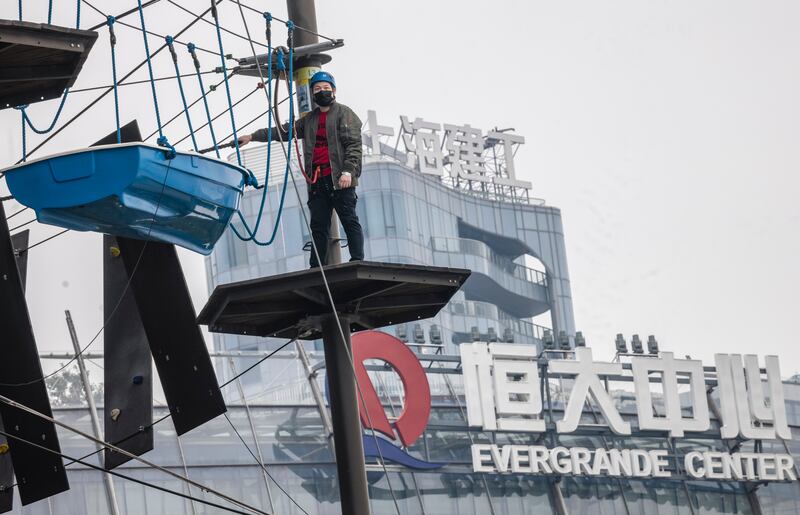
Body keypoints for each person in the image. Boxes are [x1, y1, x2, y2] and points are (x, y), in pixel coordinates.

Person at [238, 71, 365, 268]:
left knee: (349, 219)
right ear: (313, 95)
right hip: (318, 179)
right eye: (317, 89)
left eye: (325, 88)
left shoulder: (344, 114)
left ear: (334, 91)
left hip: (339, 178)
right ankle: (316, 266)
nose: (322, 92)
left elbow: (353, 145)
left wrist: (348, 171)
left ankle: (357, 259)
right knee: (318, 226)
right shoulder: (309, 120)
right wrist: (252, 136)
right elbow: (283, 131)